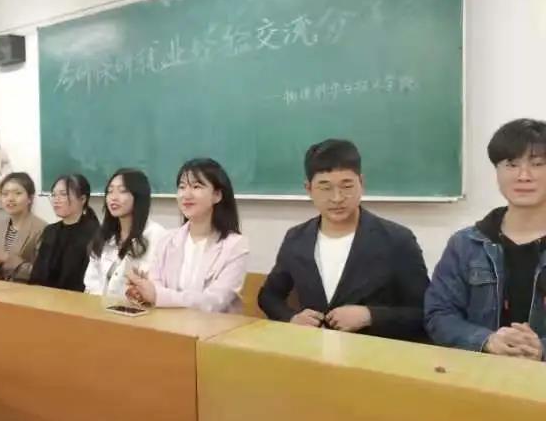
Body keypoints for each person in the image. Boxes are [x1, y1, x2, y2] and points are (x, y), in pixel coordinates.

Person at [258, 140, 429, 341]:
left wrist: (371, 316)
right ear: (309, 189)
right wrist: (291, 318)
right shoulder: (296, 239)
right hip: (312, 351)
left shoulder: (397, 240)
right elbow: (268, 296)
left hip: (374, 354)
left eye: (346, 186)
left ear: (361, 183)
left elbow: (425, 311)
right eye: (325, 188)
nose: (337, 198)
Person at [426, 119, 546, 360]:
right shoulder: (466, 244)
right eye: (511, 164)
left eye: (537, 164)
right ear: (497, 172)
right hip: (479, 376)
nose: (523, 176)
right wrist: (487, 340)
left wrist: (540, 349)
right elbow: (438, 315)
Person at [125, 158, 248, 314]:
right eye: (182, 187)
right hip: (166, 325)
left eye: (196, 187)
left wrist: (158, 296)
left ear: (217, 195)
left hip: (212, 327)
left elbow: (213, 302)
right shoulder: (167, 240)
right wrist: (143, 291)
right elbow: (155, 287)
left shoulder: (235, 246)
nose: (186, 195)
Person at [84, 169, 166, 298]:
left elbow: (159, 288)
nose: (113, 197)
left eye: (122, 191)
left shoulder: (157, 236)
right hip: (99, 308)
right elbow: (91, 282)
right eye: (110, 191)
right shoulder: (105, 235)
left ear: (138, 196)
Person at [30, 174, 100, 292]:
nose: (56, 200)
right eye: (54, 195)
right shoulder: (50, 231)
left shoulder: (95, 233)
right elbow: (37, 274)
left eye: (63, 194)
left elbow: (88, 281)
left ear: (82, 199)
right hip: (44, 297)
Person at [0, 172, 47, 282]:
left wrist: (7, 258)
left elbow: (42, 273)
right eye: (5, 194)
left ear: (30, 198)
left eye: (18, 193)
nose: (10, 198)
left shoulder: (42, 229)